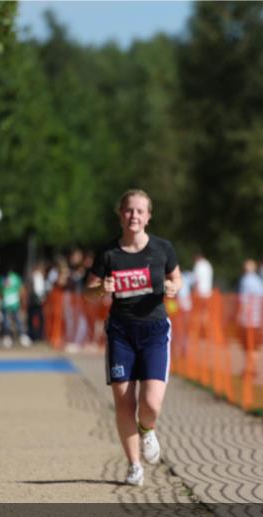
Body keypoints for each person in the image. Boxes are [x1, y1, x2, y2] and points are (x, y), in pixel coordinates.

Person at [86, 189, 181, 486]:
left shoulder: (162, 249)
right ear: (120, 214)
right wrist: (101, 289)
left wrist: (173, 287)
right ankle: (134, 465)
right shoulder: (108, 253)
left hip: (155, 331)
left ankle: (147, 429)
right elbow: (88, 292)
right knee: (124, 403)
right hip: (121, 333)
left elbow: (176, 277)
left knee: (150, 403)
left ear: (148, 216)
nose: (134, 216)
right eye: (129, 210)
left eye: (140, 211)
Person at [237, 258, 263, 382]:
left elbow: (243, 300)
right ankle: (251, 368)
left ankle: (250, 369)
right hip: (257, 318)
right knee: (255, 346)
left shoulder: (245, 280)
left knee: (248, 346)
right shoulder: (259, 281)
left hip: (247, 319)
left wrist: (239, 315)